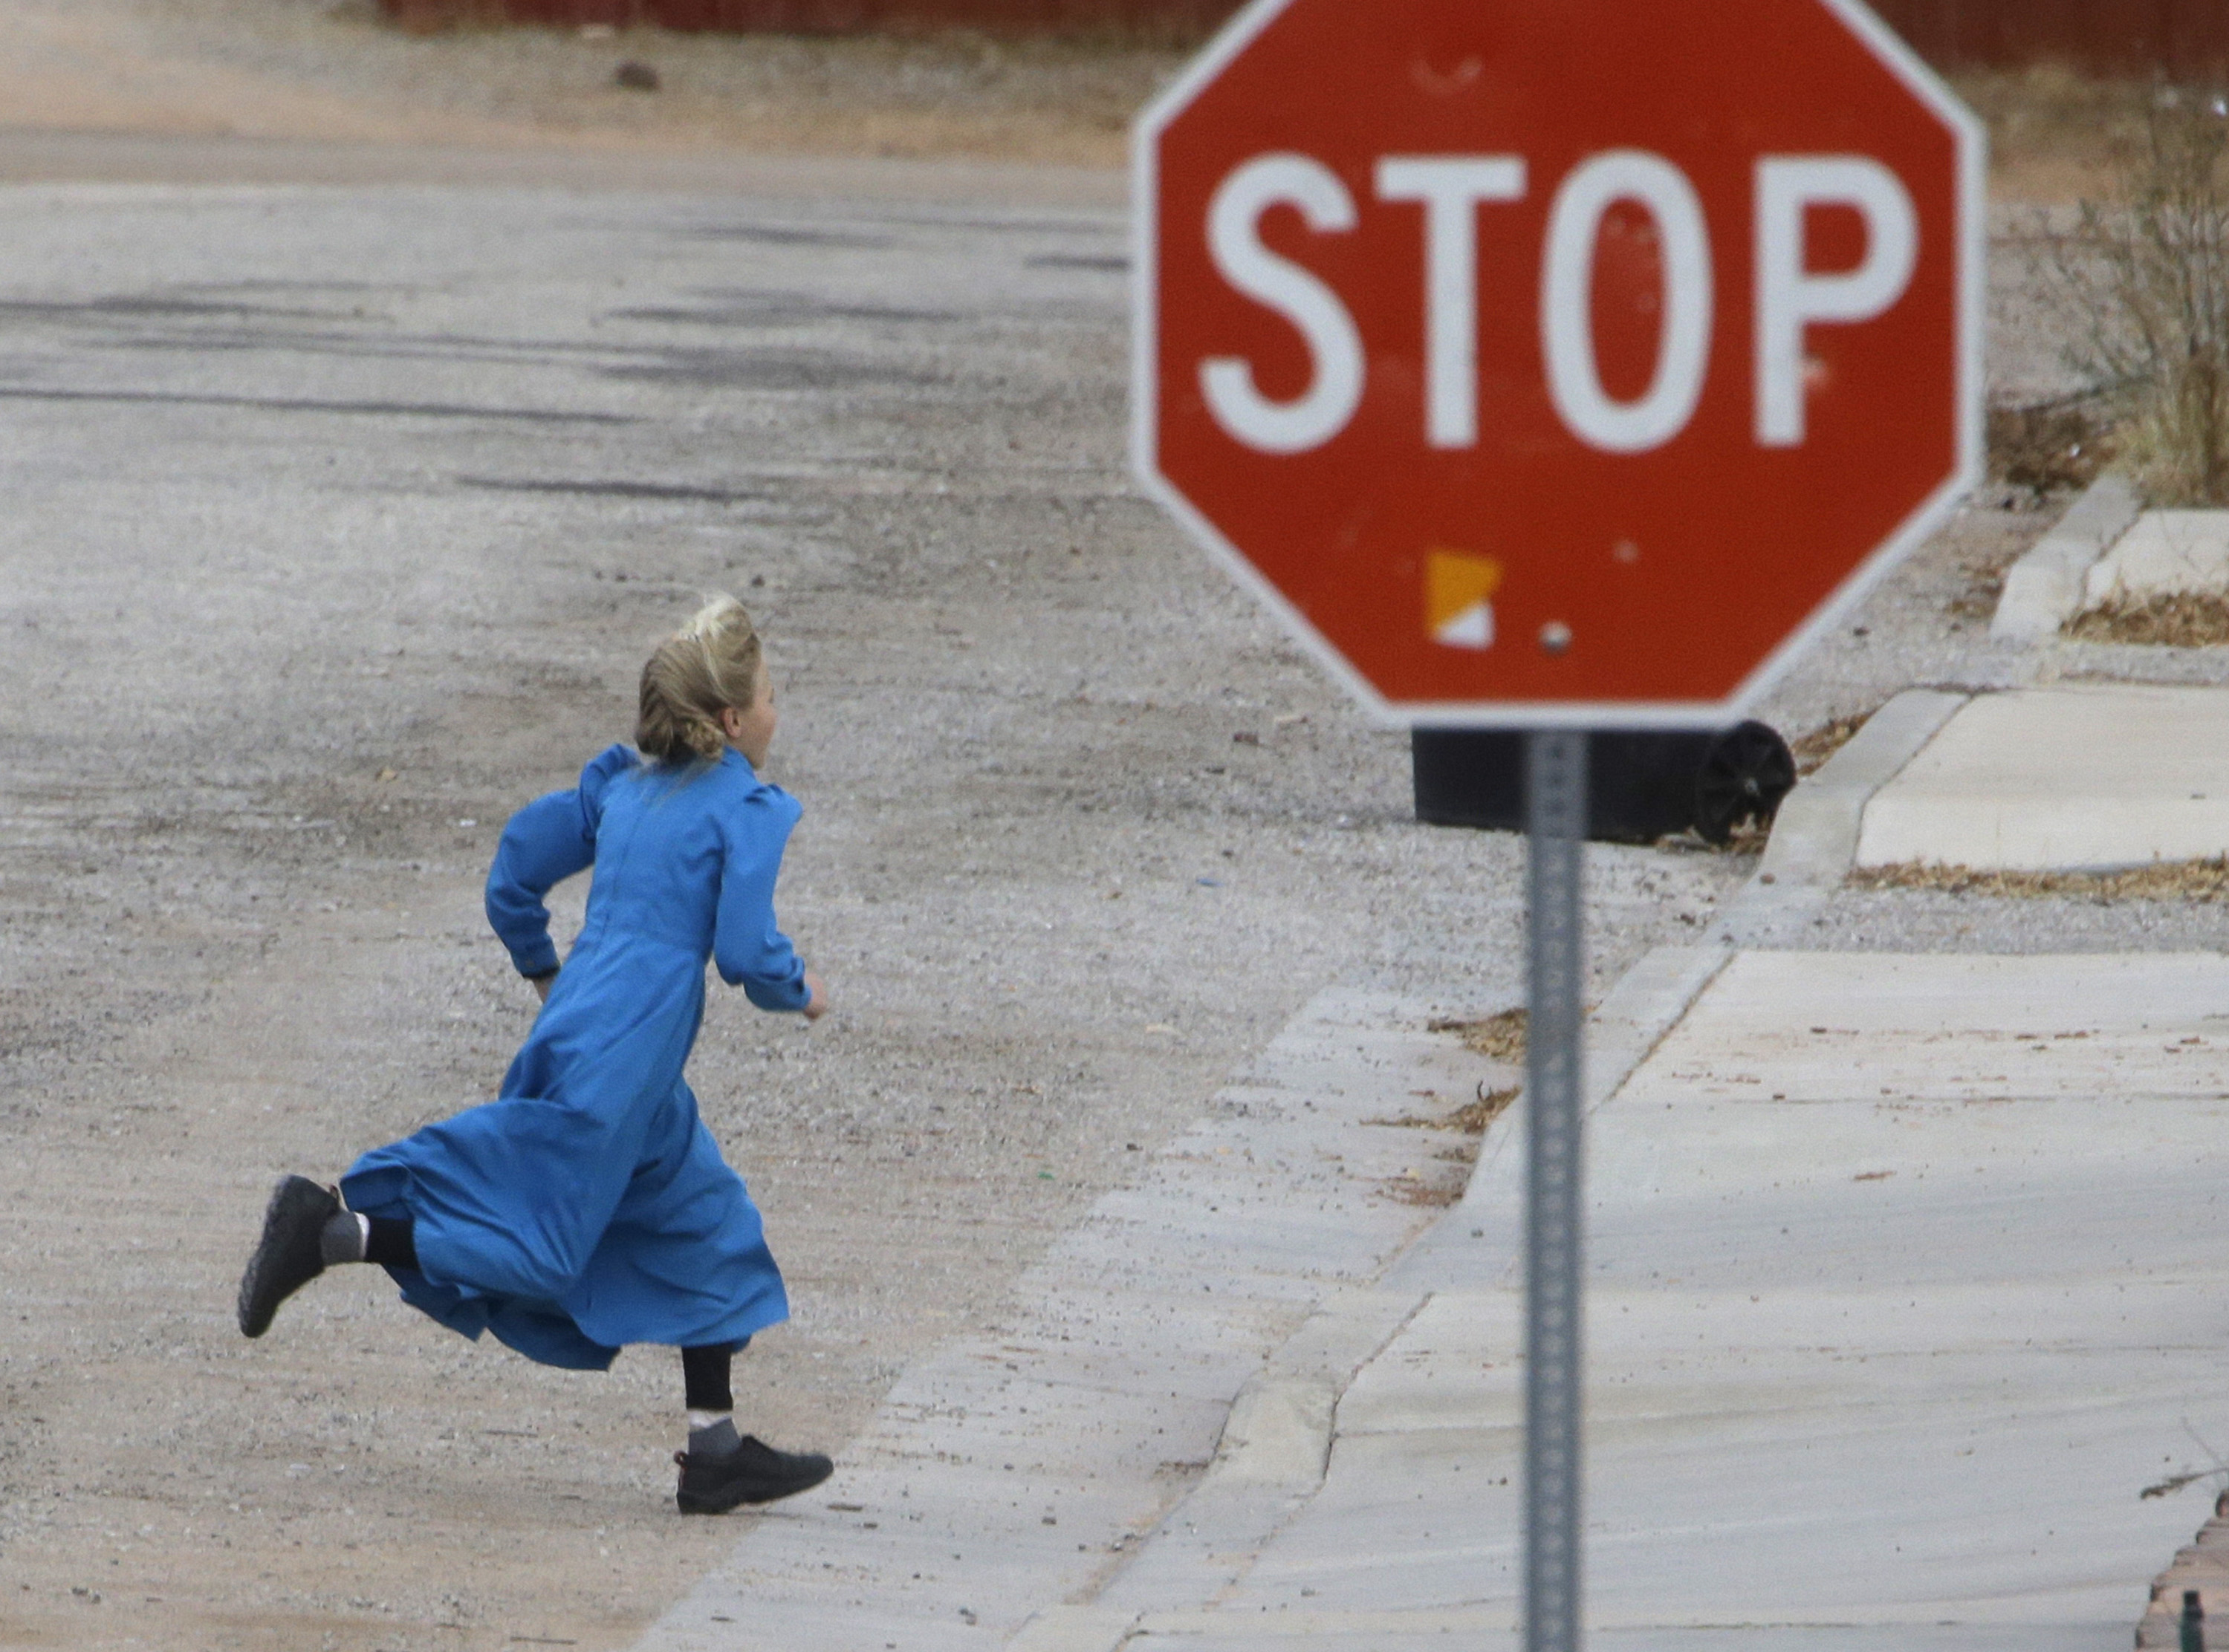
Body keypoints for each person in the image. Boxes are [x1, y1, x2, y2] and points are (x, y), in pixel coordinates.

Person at [237, 594, 834, 1515]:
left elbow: (514, 869)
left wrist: (544, 969)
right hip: (630, 1054)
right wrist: (801, 990)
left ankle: (715, 1454)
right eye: (767, 699)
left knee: (702, 1220)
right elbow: (747, 951)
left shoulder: (624, 790)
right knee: (547, 1244)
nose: (775, 714)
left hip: (600, 1031)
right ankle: (332, 1230)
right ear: (728, 720)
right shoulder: (743, 809)